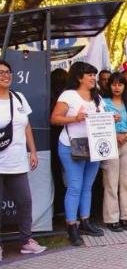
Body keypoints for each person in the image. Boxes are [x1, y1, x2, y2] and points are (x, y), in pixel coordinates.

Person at [51, 61, 105, 246]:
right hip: (71, 146)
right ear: (78, 77)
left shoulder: (97, 97)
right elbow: (55, 118)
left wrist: (111, 118)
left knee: (87, 186)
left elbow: (101, 119)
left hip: (94, 146)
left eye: (94, 74)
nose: (93, 77)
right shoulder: (69, 95)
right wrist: (75, 118)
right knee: (75, 186)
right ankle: (71, 226)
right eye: (89, 74)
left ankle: (85, 221)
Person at [0, 60, 46, 260]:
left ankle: (26, 241)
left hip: (17, 162)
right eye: (0, 72)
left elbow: (26, 127)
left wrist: (33, 151)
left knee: (25, 202)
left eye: (7, 72)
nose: (5, 75)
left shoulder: (18, 97)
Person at [102, 73, 127, 232]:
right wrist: (113, 132)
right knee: (110, 181)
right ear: (109, 86)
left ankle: (126, 216)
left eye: (120, 84)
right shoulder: (103, 102)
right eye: (114, 84)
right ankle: (112, 218)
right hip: (110, 141)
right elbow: (98, 123)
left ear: (125, 86)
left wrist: (126, 136)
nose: (117, 88)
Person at [50, 68, 69, 215]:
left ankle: (57, 207)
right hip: (66, 139)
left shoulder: (49, 97)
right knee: (68, 175)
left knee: (55, 174)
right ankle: (64, 208)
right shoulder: (67, 97)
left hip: (51, 139)